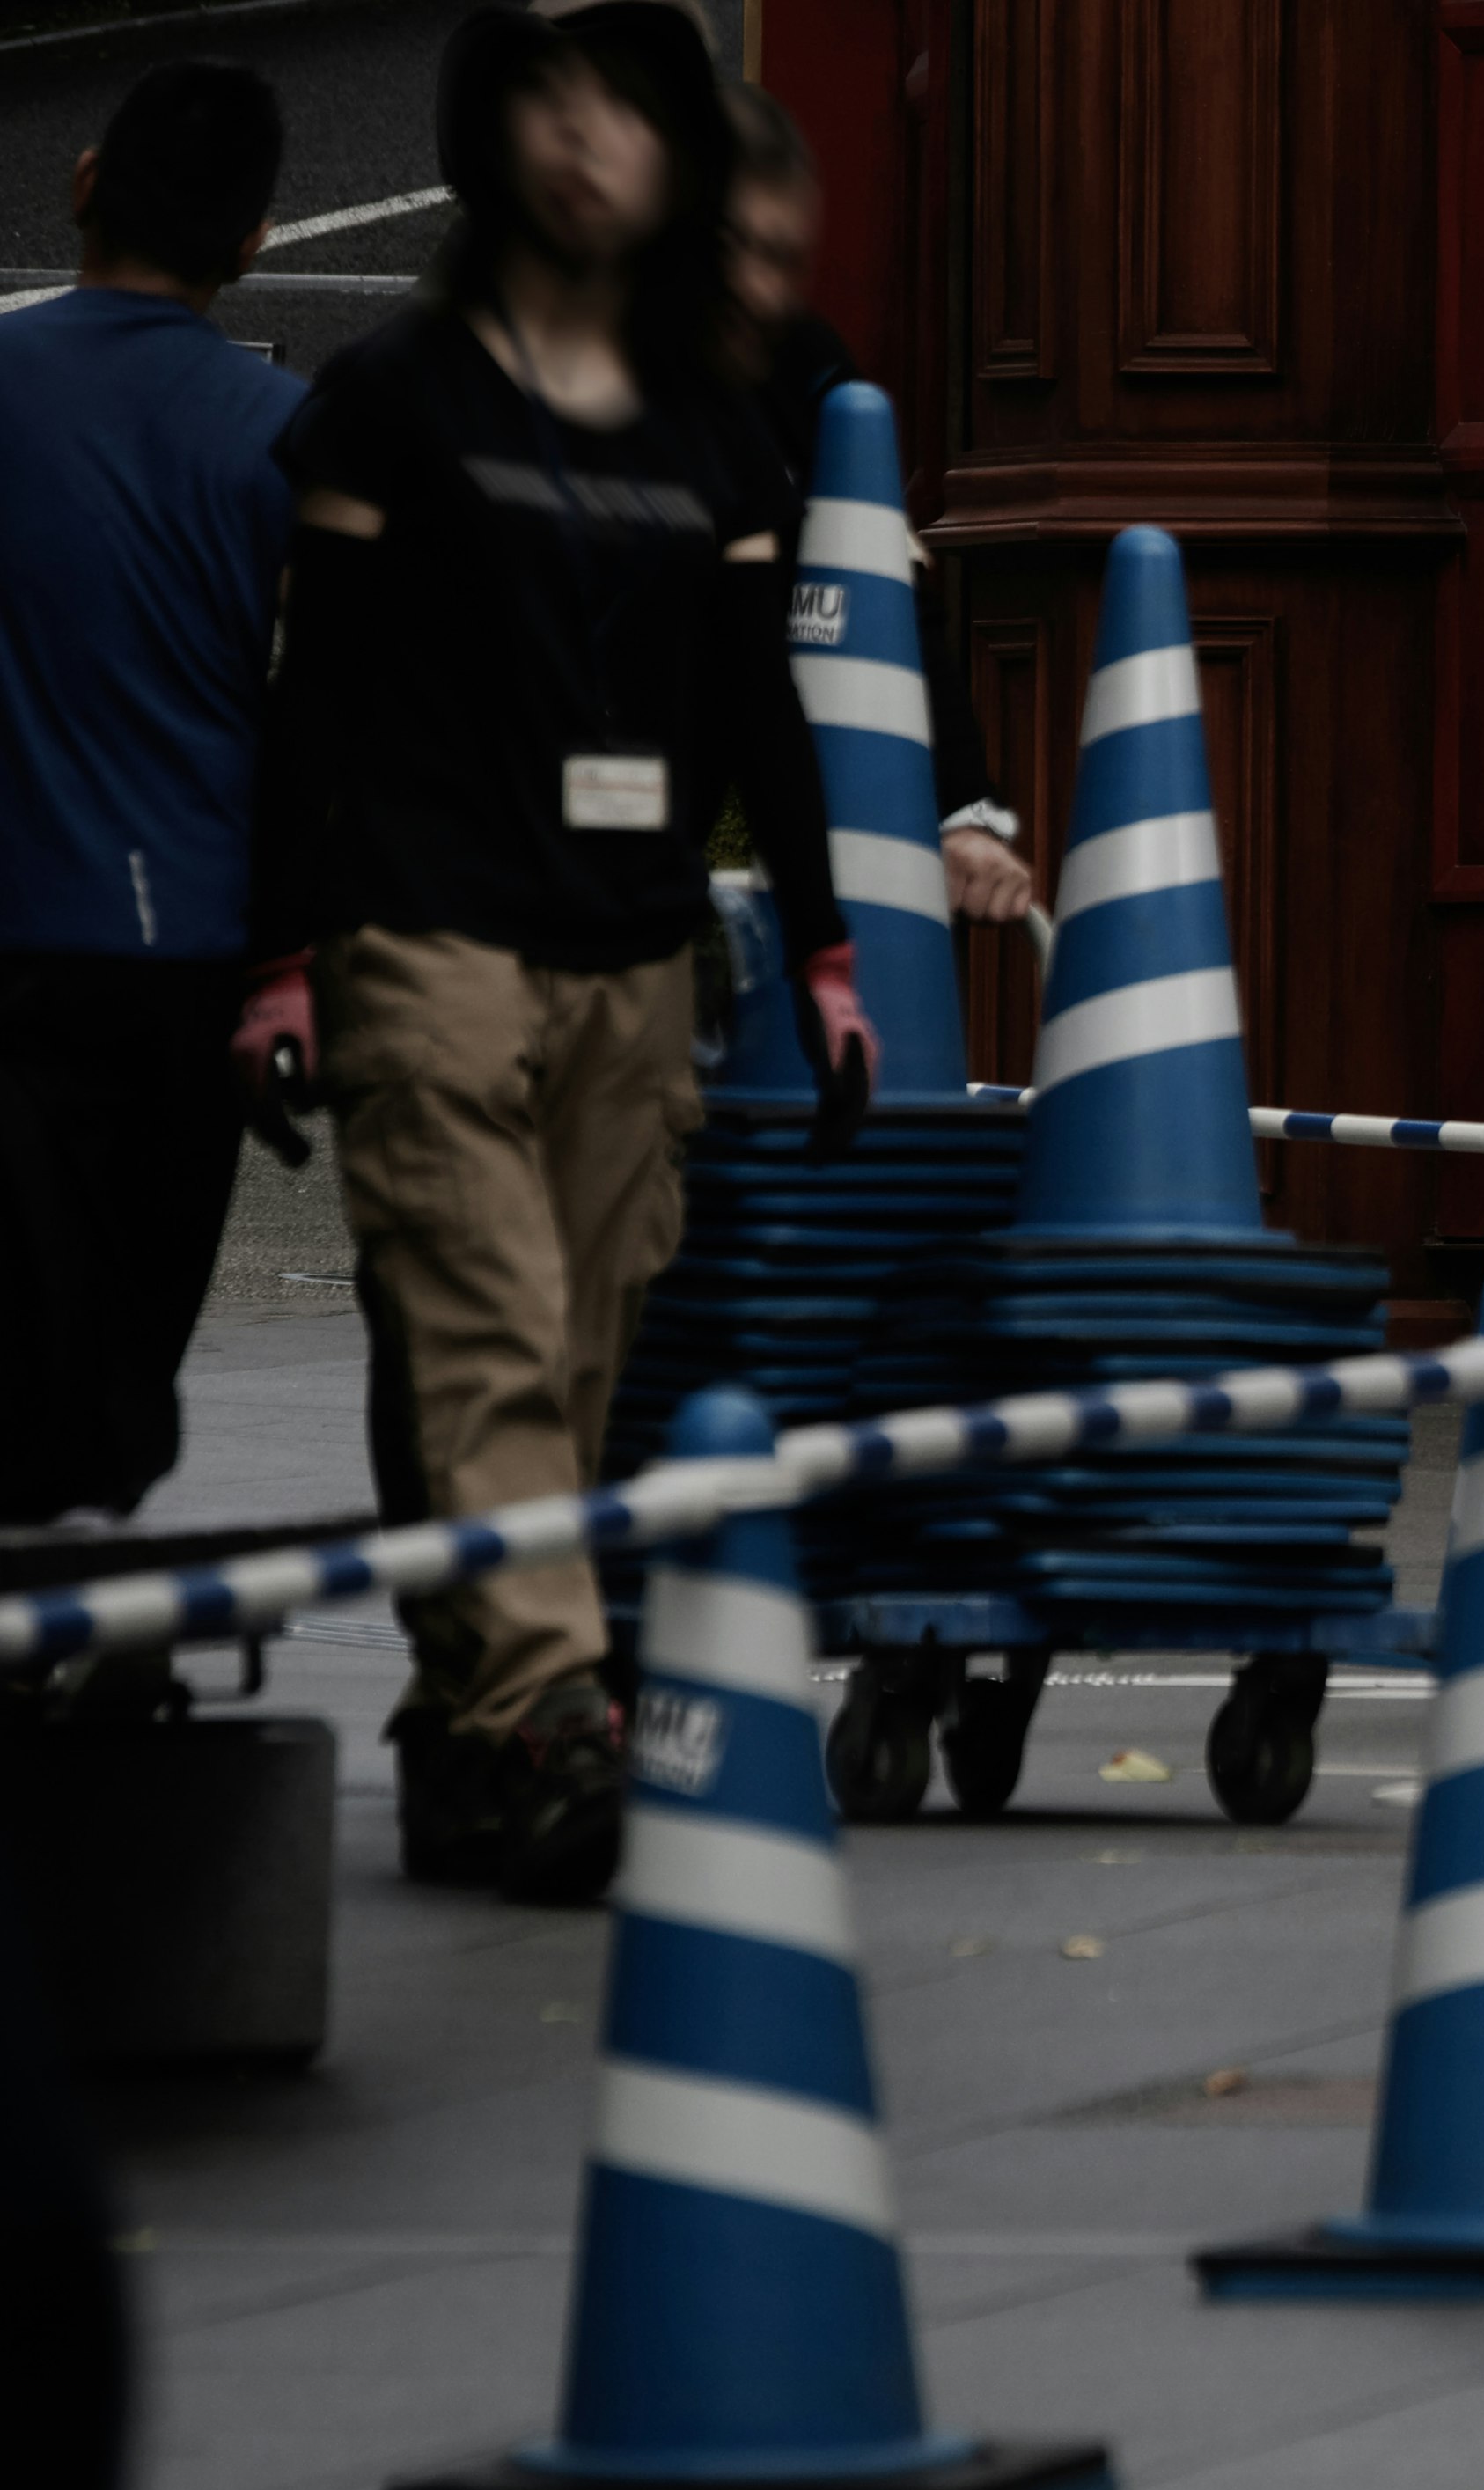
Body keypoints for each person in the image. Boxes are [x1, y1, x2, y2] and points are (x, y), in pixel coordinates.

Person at [240, 0, 877, 1902]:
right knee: (491, 1328)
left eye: (627, 110)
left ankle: (466, 1728)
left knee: (577, 1360)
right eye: (551, 107)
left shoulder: (716, 437)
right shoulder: (396, 400)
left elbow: (762, 707)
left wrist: (831, 957)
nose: (588, 140)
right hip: (427, 933)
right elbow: (317, 701)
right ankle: (556, 1700)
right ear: (493, 141)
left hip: (633, 953)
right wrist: (279, 961)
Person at [0, 64, 298, 1530]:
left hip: (17, 935)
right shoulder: (278, 432)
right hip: (197, 949)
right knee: (131, 1338)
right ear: (252, 246)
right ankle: (97, 1609)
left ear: (81, 182)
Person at [720, 80, 1033, 922]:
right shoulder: (562, 378)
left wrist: (964, 813)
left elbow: (893, 597)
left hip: (743, 821)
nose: (756, 288)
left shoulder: (808, 370)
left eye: (780, 258)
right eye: (731, 247)